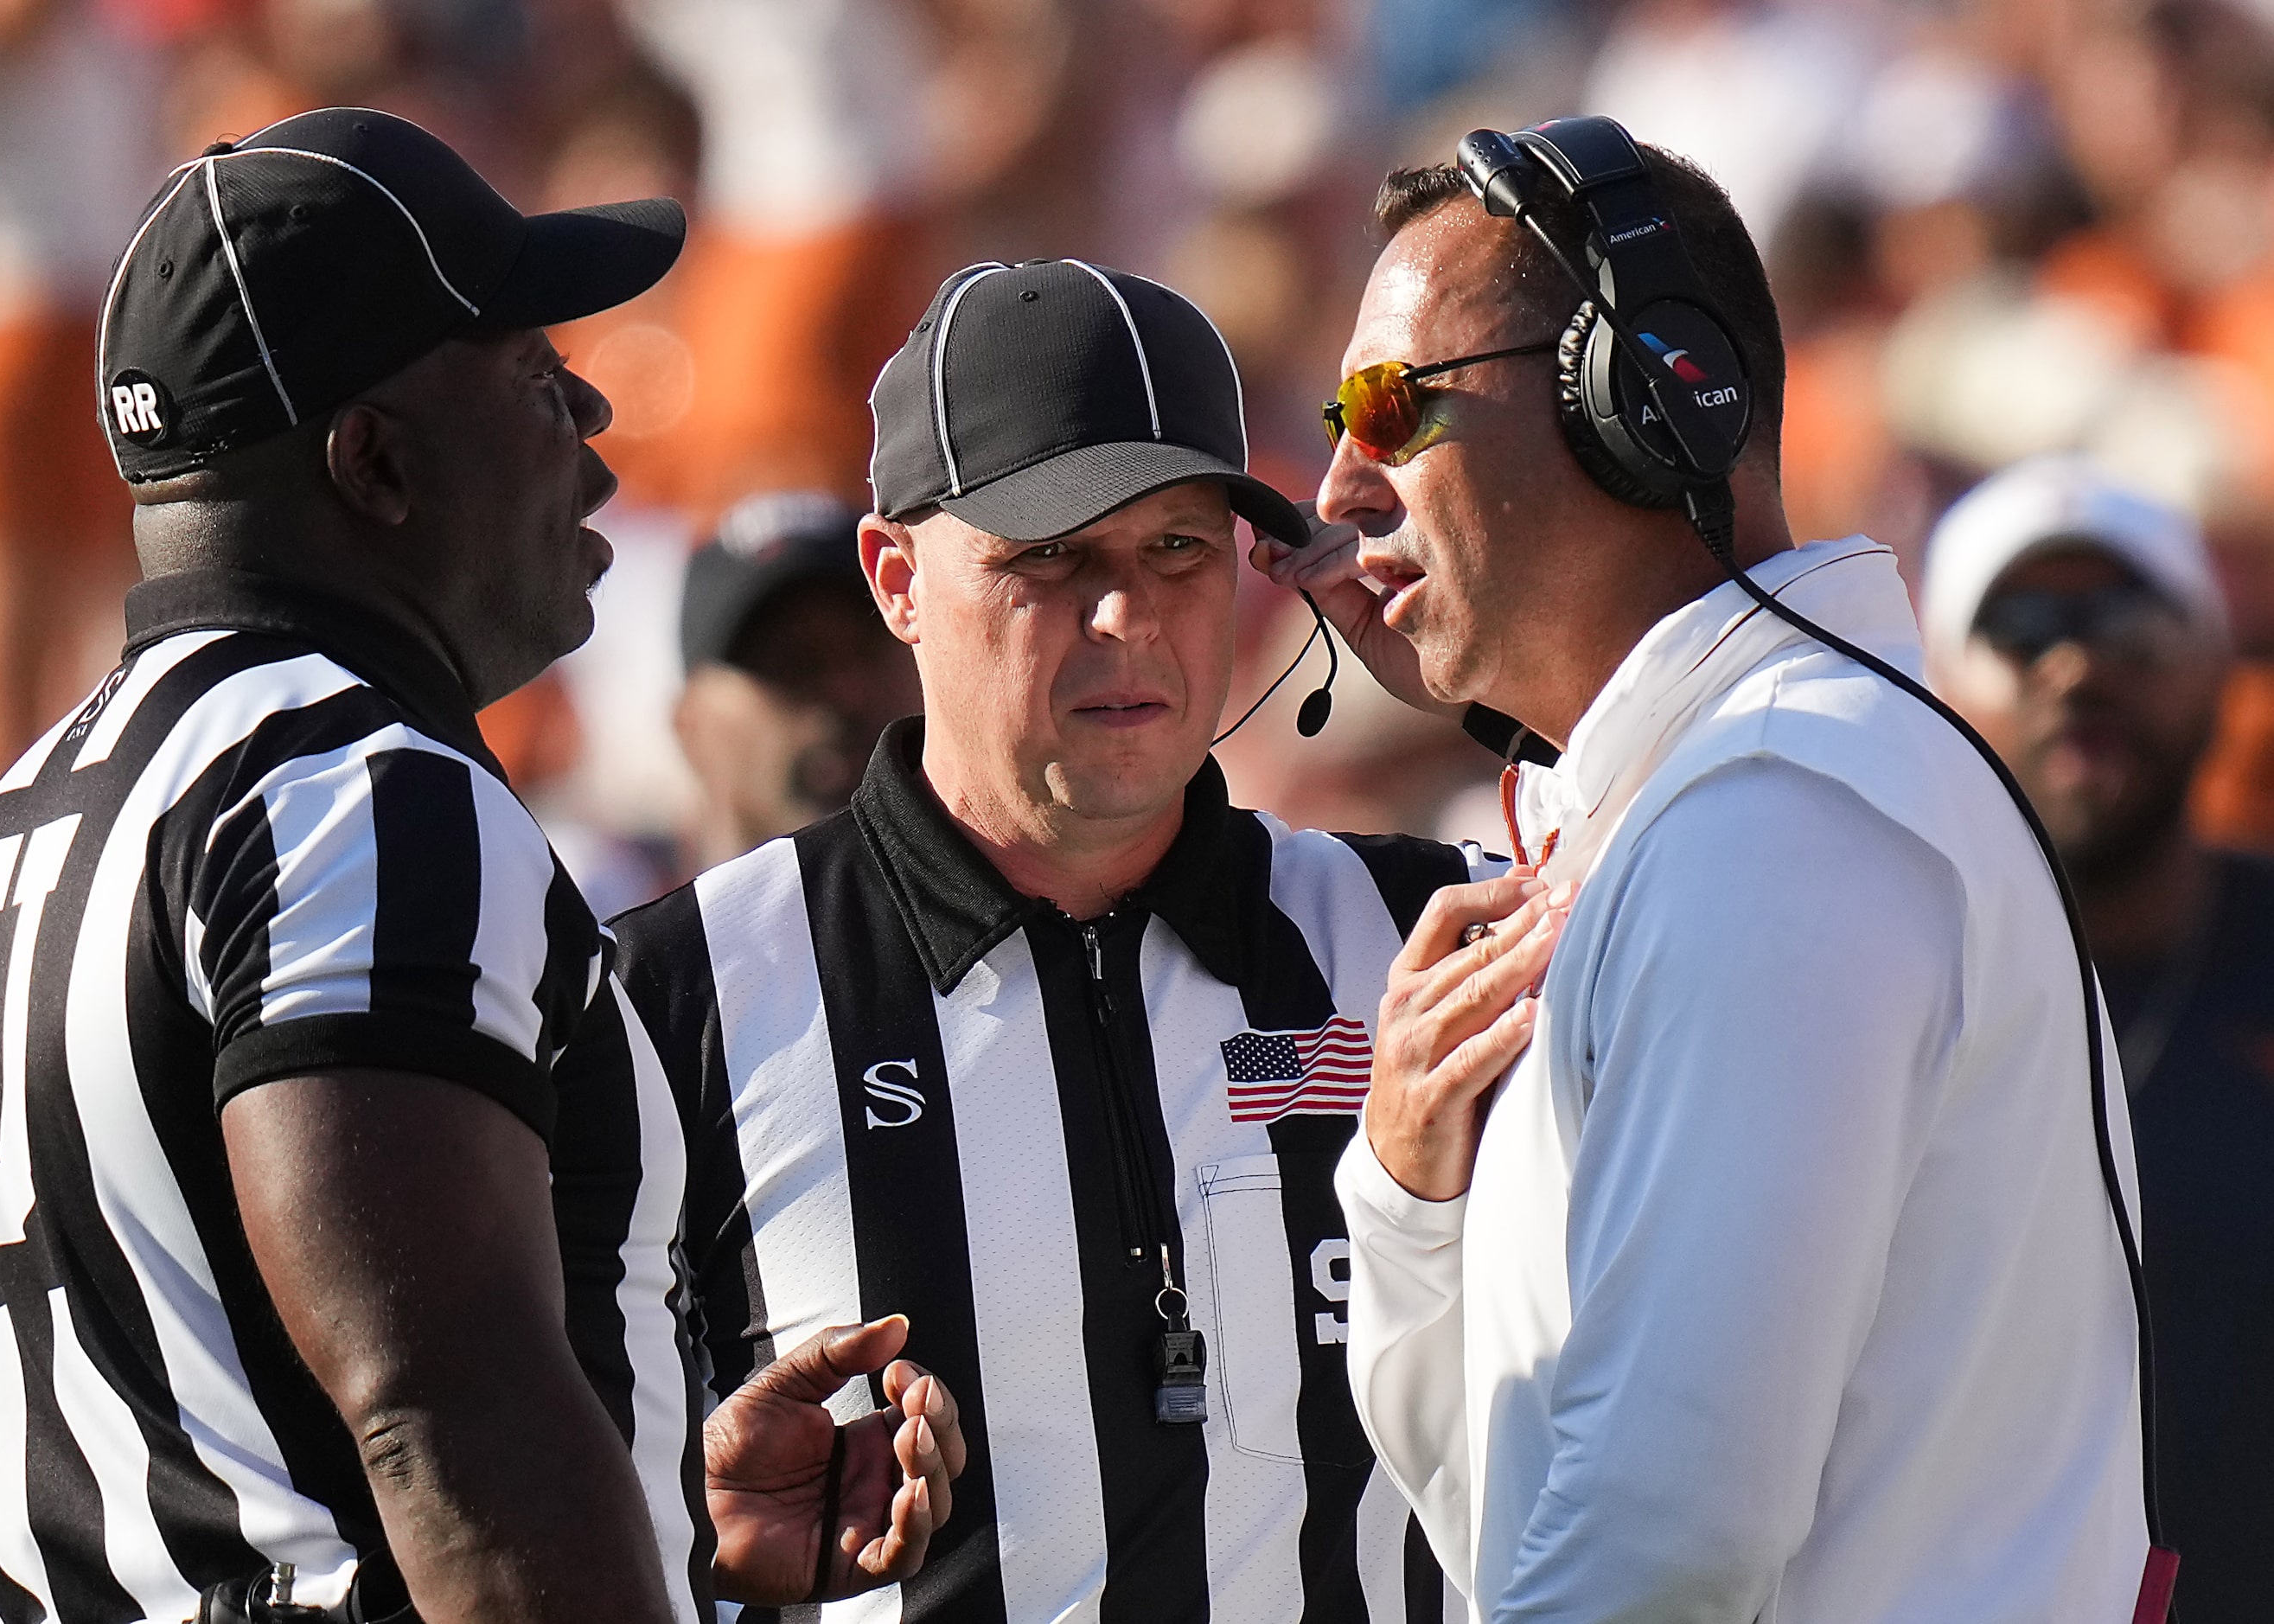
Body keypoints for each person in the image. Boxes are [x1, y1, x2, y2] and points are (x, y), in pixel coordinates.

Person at [0, 109, 962, 1624]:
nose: (590, 410)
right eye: (526, 376)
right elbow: (435, 1422)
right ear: (372, 460)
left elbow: (224, 1437)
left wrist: (655, 1497)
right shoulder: (349, 791)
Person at [1261, 126, 2151, 1618]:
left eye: (1391, 402)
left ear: (1644, 396)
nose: (1340, 483)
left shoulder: (1772, 815)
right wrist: (1410, 1204)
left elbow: (1662, 1542)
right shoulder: (1716, 799)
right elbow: (1517, 1515)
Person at [600, 258, 1563, 1621]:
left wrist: (1473, 673)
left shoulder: (1434, 928)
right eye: (1049, 556)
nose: (1127, 616)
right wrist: (691, 1554)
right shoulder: (670, 995)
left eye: (1178, 549)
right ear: (896, 577)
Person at [1924, 454, 2274, 1624]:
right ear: (1935, 685)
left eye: (2124, 621)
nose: (2073, 665)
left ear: (2217, 667)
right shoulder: (1869, 980)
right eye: (2019, 626)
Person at [673, 489, 922, 869]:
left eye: (872, 649)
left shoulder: (1020, 916)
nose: (846, 692)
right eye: (793, 665)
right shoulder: (602, 918)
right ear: (690, 728)